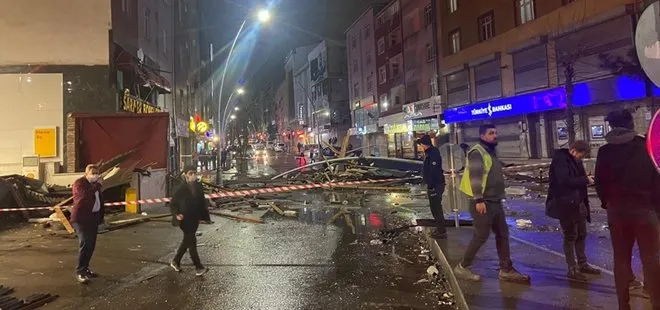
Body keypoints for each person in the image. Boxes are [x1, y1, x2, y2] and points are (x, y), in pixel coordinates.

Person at [595, 109, 660, 309]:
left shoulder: (604, 151)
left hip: (617, 213)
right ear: (631, 123)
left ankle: (624, 305)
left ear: (611, 127)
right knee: (651, 260)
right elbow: (657, 179)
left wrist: (609, 204)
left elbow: (599, 183)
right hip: (645, 211)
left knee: (621, 260)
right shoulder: (645, 147)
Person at [454, 124, 530, 283]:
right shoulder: (477, 152)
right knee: (481, 235)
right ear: (482, 136)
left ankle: (506, 269)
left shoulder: (490, 152)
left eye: (495, 133)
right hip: (483, 202)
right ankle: (462, 266)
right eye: (491, 133)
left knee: (502, 234)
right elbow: (475, 177)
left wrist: (508, 168)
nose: (495, 136)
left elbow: (493, 169)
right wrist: (478, 199)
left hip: (495, 201)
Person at [546, 140, 601, 281]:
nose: (581, 159)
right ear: (574, 151)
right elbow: (564, 181)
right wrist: (585, 180)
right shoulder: (560, 160)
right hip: (565, 204)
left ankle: (582, 264)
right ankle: (572, 268)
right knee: (571, 236)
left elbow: (579, 178)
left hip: (578, 203)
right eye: (581, 156)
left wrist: (587, 179)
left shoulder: (575, 161)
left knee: (582, 233)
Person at [169, 166, 212, 276]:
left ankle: (176, 261)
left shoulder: (198, 186)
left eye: (194, 173)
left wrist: (206, 217)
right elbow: (173, 203)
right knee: (192, 242)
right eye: (191, 173)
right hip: (184, 218)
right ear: (185, 175)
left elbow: (201, 202)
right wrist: (176, 214)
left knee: (187, 241)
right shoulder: (180, 188)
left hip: (194, 217)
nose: (193, 175)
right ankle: (198, 267)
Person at [71, 164, 105, 284]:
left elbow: (99, 201)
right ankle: (80, 271)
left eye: (97, 173)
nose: (95, 176)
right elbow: (84, 196)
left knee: (91, 245)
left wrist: (101, 217)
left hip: (93, 218)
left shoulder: (95, 186)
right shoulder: (79, 183)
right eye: (93, 173)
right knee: (85, 242)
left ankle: (85, 268)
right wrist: (98, 185)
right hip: (81, 218)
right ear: (86, 174)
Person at [418, 134, 447, 239]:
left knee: (436, 208)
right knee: (434, 208)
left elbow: (434, 172)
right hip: (434, 185)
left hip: (436, 185)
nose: (421, 146)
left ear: (424, 144)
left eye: (421, 144)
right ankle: (439, 229)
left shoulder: (433, 153)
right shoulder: (429, 153)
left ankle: (441, 231)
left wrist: (431, 187)